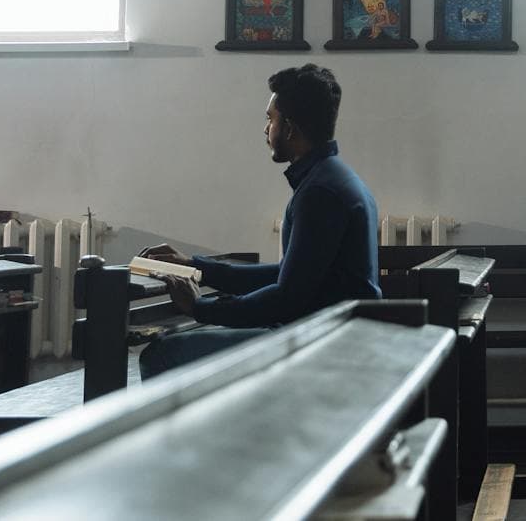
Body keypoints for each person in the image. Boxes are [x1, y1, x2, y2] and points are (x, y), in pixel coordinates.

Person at [137, 63, 379, 379]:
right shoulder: (333, 178)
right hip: (332, 331)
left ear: (290, 128)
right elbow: (290, 276)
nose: (266, 129)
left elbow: (285, 298)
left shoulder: (321, 192)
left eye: (270, 119)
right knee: (174, 342)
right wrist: (196, 269)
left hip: (324, 342)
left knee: (162, 354)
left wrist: (202, 308)